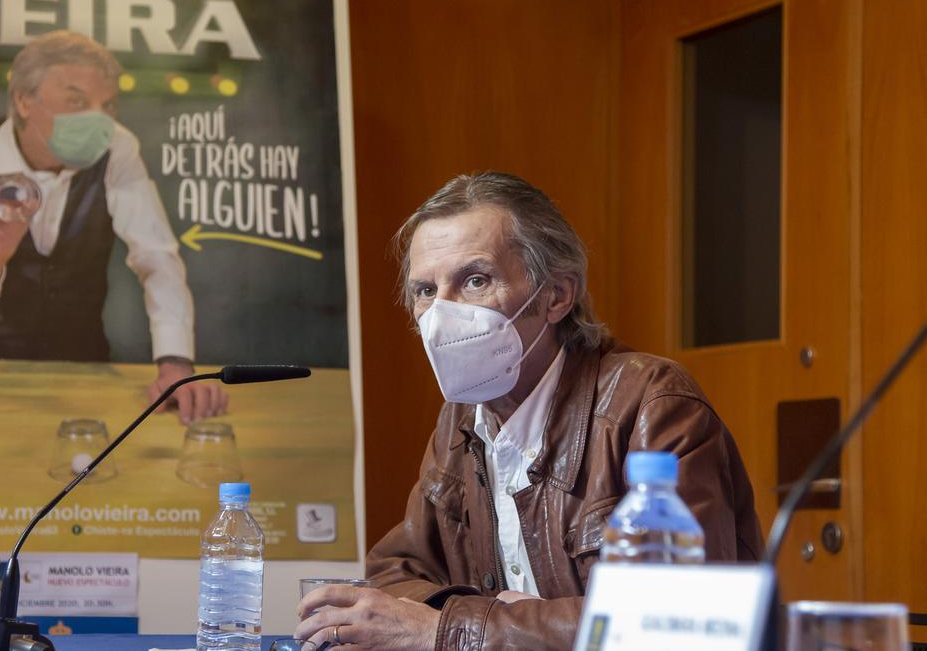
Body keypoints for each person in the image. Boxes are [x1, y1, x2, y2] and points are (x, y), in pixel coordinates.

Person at [294, 172, 763, 649]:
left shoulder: (652, 403)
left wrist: (450, 630)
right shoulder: (461, 420)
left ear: (556, 294)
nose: (441, 314)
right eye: (426, 291)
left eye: (475, 280)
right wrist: (496, 618)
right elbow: (395, 574)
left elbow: (675, 621)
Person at [0, 30, 224, 423]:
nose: (98, 120)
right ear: (24, 100)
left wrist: (176, 364)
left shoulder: (116, 149)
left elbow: (156, 256)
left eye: (107, 105)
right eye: (76, 101)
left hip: (82, 372)